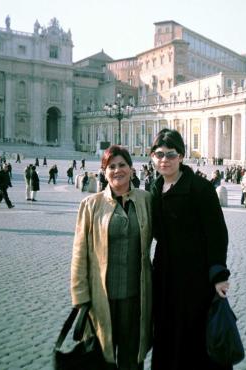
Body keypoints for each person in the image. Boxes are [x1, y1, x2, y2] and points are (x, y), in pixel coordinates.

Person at [150, 129, 230, 370]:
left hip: (195, 278)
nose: (164, 160)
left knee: (194, 338)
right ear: (153, 157)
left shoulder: (200, 188)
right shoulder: (154, 189)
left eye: (171, 154)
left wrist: (218, 275)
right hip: (165, 275)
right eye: (159, 154)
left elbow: (217, 234)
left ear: (182, 156)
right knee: (167, 334)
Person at [71, 145, 153, 370]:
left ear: (131, 169)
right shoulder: (91, 205)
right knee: (102, 360)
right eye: (111, 166)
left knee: (132, 361)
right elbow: (79, 253)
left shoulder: (146, 200)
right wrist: (80, 297)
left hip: (137, 298)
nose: (118, 170)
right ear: (104, 172)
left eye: (122, 165)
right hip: (101, 299)